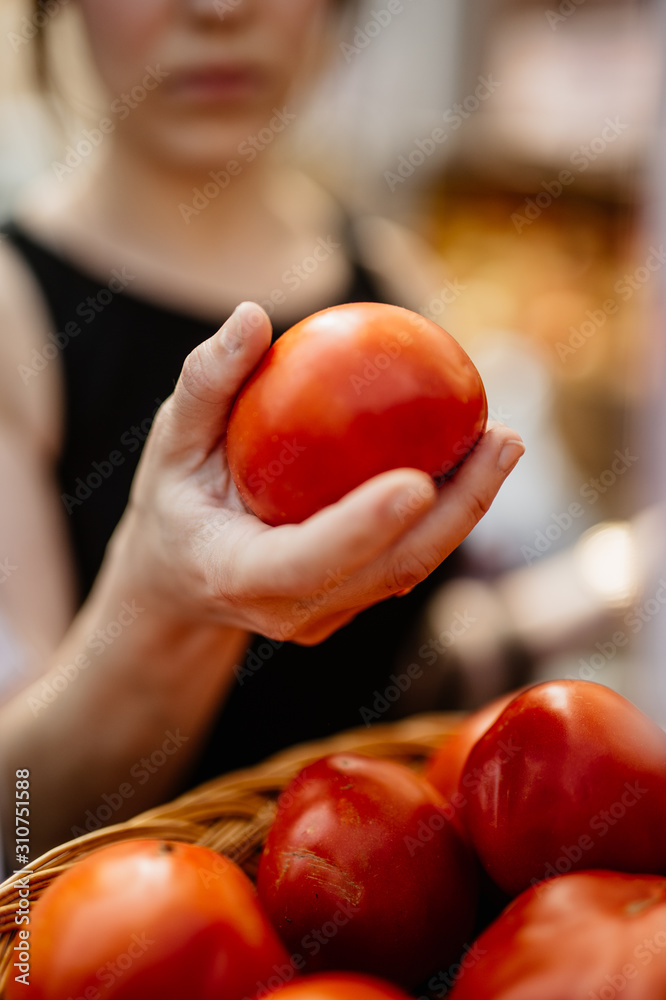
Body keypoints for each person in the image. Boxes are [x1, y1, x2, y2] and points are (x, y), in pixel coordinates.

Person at [0, 0, 524, 861]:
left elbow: (406, 671)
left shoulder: (393, 274)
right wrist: (166, 603)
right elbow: (19, 822)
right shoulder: (16, 320)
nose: (220, 8)